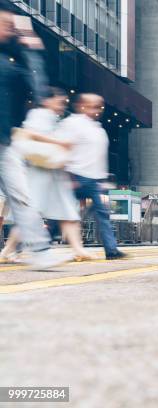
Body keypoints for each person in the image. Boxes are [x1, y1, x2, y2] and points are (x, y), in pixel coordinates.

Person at [0, 7, 71, 269]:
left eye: (11, 25)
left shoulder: (9, 61)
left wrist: (29, 45)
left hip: (4, 142)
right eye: (4, 24)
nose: (9, 29)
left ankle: (40, 252)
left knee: (21, 196)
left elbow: (40, 89)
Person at [1, 88, 95, 262]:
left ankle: (78, 249)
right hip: (40, 173)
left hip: (52, 173)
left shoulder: (53, 117)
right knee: (33, 212)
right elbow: (30, 134)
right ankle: (7, 250)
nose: (62, 105)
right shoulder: (39, 114)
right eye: (60, 101)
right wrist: (59, 142)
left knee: (67, 211)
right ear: (47, 101)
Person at [58, 94, 127, 261]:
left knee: (102, 214)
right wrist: (67, 176)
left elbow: (99, 157)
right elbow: (63, 148)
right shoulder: (72, 123)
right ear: (81, 105)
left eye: (99, 107)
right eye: (93, 106)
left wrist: (102, 180)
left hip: (94, 180)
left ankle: (111, 250)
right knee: (59, 213)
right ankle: (38, 243)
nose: (97, 110)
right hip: (76, 176)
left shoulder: (98, 129)